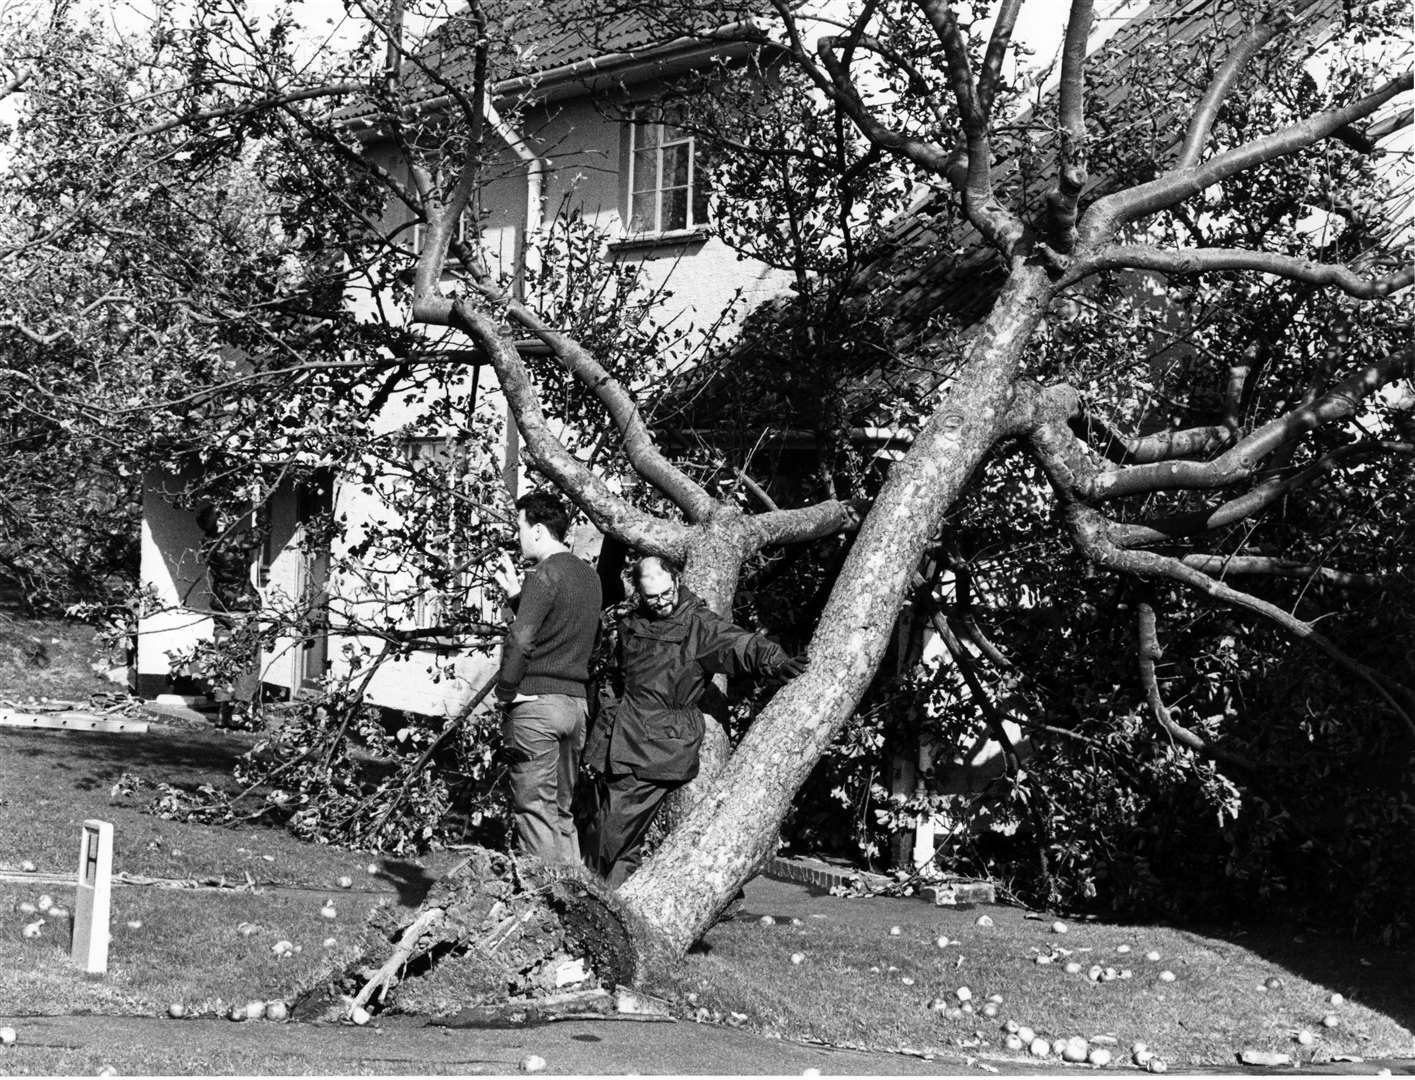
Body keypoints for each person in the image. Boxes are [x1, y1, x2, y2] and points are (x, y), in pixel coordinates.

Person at [585, 555, 806, 887]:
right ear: (639, 593)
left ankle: (585, 892)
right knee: (611, 835)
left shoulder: (698, 624)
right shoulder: (631, 620)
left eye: (666, 593)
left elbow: (738, 644)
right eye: (652, 597)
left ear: (676, 580)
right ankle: (610, 907)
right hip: (620, 735)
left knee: (609, 834)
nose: (661, 602)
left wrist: (776, 661)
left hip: (656, 744)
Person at [493, 490, 602, 864]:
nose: (518, 536)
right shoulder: (589, 577)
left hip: (537, 706)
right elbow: (561, 628)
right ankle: (575, 906)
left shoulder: (542, 575)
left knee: (535, 812)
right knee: (560, 812)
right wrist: (515, 597)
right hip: (576, 707)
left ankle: (541, 908)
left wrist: (506, 691)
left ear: (538, 530)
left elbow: (522, 639)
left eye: (520, 527)